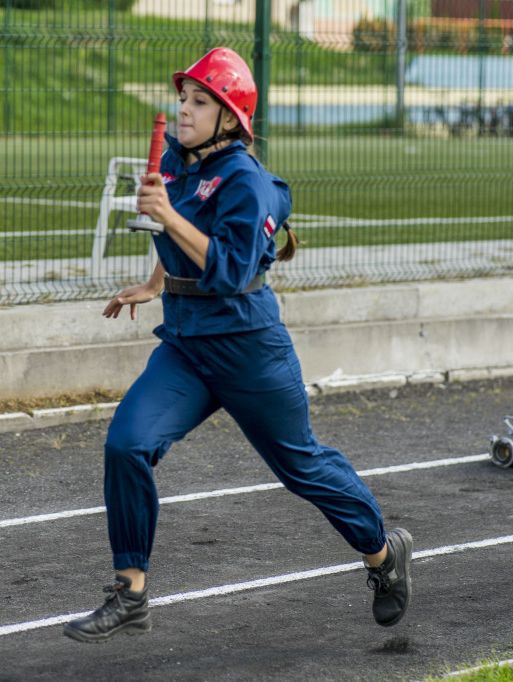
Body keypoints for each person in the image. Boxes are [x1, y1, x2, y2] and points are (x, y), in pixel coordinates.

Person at [63, 47, 412, 643]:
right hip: (188, 346)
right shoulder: (176, 160)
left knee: (301, 466)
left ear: (231, 119)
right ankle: (131, 592)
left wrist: (168, 217)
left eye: (201, 102)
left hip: (249, 348)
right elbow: (174, 236)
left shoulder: (246, 181)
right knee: (126, 445)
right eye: (183, 98)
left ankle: (383, 554)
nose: (185, 109)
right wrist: (154, 283)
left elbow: (227, 269)